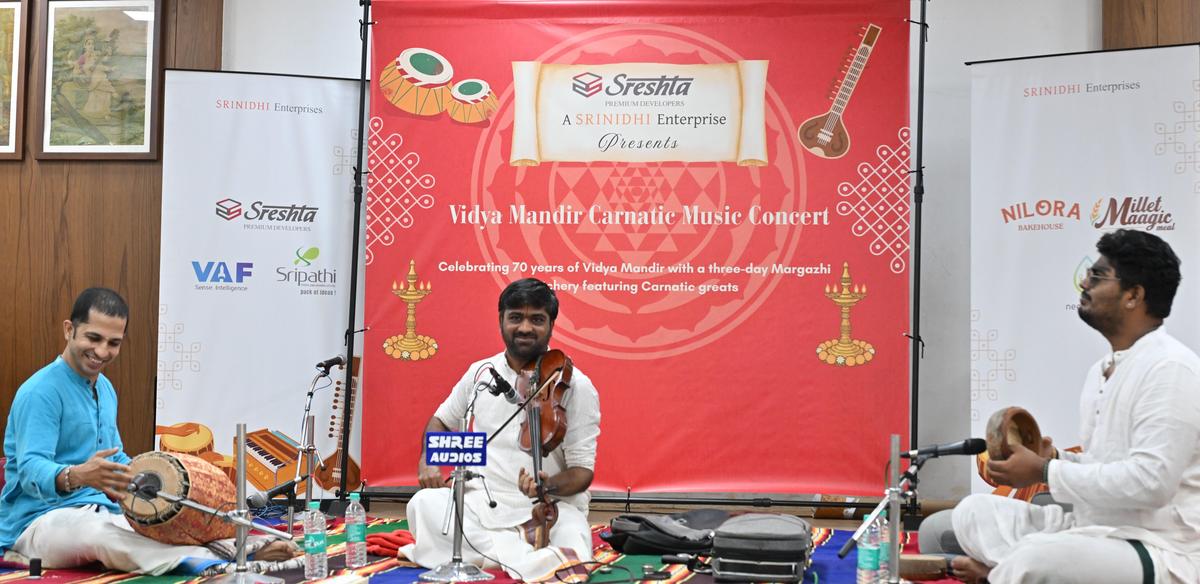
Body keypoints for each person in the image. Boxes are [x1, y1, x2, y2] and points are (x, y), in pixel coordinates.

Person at [942, 230, 1200, 583]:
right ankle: (1009, 573)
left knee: (1038, 557)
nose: (1084, 283)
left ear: (1133, 295)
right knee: (973, 512)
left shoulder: (1171, 369)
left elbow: (1151, 483)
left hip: (1157, 545)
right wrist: (1057, 461)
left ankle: (998, 576)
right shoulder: (1103, 370)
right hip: (1092, 527)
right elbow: (1107, 465)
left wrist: (1044, 473)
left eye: (1097, 276)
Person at [0, 288, 292, 574]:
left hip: (102, 510)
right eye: (93, 338)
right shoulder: (40, 392)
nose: (102, 351)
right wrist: (77, 475)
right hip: (38, 521)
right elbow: (29, 470)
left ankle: (230, 544)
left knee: (173, 521)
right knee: (99, 536)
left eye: (113, 343)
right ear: (69, 330)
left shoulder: (104, 388)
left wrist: (166, 482)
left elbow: (116, 460)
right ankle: (225, 558)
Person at [402, 278, 602, 581]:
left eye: (537, 319)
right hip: (482, 503)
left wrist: (545, 487)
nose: (525, 328)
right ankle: (526, 558)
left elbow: (582, 473)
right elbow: (441, 421)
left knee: (573, 537)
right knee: (424, 505)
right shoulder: (481, 372)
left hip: (546, 510)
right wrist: (428, 458)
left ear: (551, 325)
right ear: (501, 320)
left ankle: (489, 556)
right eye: (515, 317)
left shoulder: (575, 386)